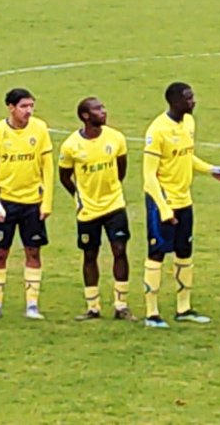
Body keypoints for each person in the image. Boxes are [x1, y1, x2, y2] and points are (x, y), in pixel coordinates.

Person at [141, 82, 220, 328]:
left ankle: (184, 308)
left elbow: (184, 155)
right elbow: (149, 176)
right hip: (162, 201)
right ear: (174, 101)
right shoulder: (158, 130)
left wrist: (211, 169)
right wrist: (163, 208)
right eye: (188, 98)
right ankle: (152, 313)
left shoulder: (189, 123)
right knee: (157, 254)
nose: (194, 102)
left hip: (184, 200)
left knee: (184, 252)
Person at [59, 97, 135, 321]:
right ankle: (93, 307)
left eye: (103, 107)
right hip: (88, 211)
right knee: (89, 254)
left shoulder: (116, 138)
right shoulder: (71, 146)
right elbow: (64, 176)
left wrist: (111, 190)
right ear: (85, 116)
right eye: (98, 109)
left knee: (120, 251)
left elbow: (121, 169)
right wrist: (78, 196)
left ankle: (121, 306)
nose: (104, 112)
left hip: (114, 206)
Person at [0, 88, 54, 322]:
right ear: (11, 107)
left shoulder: (40, 128)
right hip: (6, 203)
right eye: (24, 106)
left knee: (33, 251)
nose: (29, 111)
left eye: (31, 106)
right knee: (0, 252)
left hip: (32, 202)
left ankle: (32, 305)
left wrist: (47, 202)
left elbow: (48, 167)